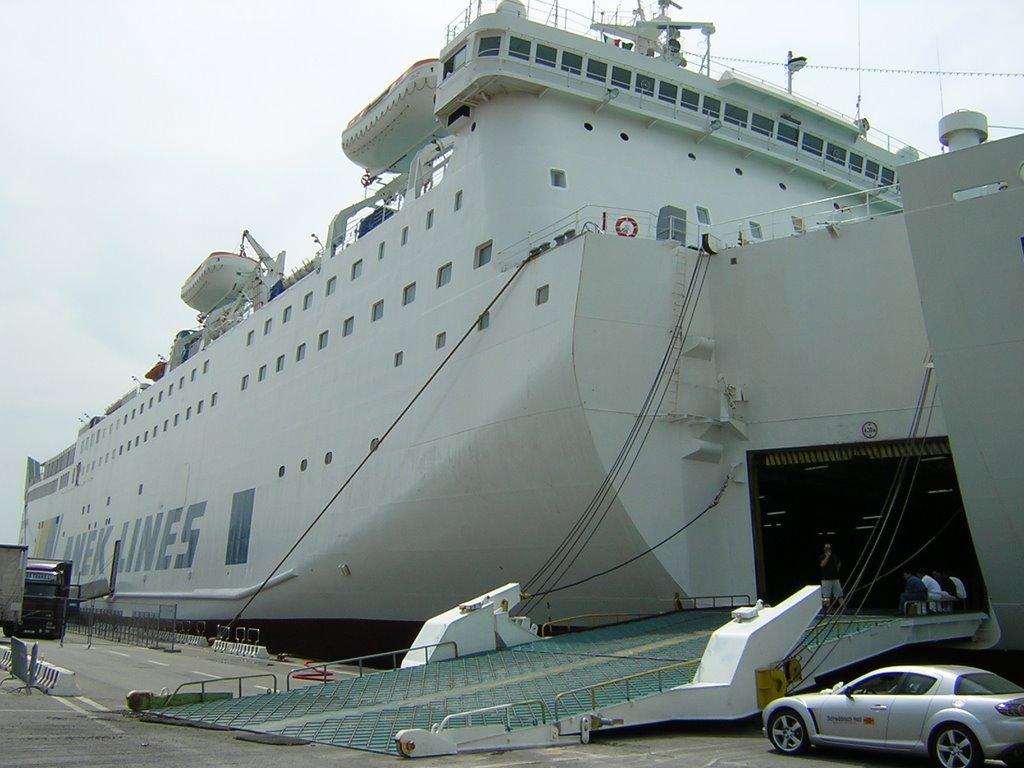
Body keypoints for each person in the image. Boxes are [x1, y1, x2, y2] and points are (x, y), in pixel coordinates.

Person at [819, 542, 842, 609]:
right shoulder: (822, 556)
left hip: (835, 578)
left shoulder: (834, 556)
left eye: (829, 548)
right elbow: (822, 564)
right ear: (824, 549)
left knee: (839, 594)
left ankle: (843, 608)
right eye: (827, 548)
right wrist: (827, 557)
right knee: (826, 596)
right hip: (826, 579)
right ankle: (828, 609)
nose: (828, 549)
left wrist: (837, 570)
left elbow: (839, 562)